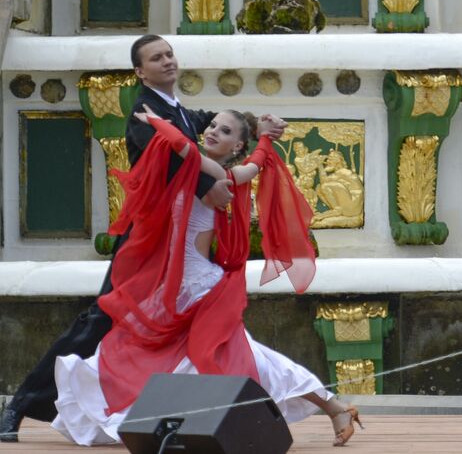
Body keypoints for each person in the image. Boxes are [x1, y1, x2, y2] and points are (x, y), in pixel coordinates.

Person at [51, 105, 361, 446]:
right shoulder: (215, 172)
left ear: (236, 147)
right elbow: (246, 158)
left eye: (225, 131)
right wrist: (265, 138)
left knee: (241, 358)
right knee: (151, 350)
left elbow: (184, 148)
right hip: (180, 285)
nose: (213, 131)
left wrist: (154, 121)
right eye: (213, 125)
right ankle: (334, 406)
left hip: (198, 287)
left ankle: (333, 406)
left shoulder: (216, 174)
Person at [2, 35, 232, 443]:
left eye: (169, 54)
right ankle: (20, 405)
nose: (167, 61)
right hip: (145, 243)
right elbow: (165, 158)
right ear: (140, 72)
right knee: (101, 320)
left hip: (174, 243)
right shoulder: (145, 112)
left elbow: (205, 122)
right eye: (155, 58)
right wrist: (204, 186)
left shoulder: (174, 109)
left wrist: (252, 123)